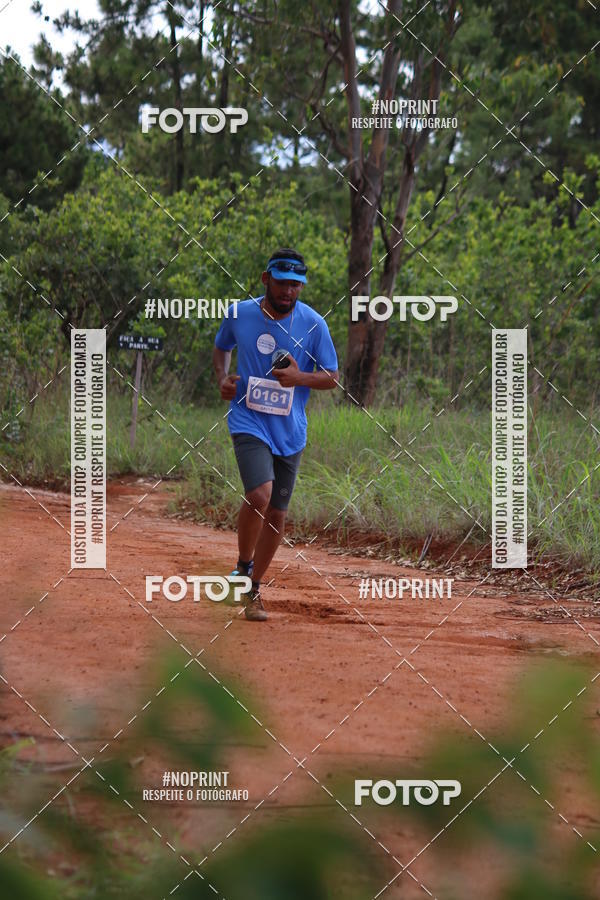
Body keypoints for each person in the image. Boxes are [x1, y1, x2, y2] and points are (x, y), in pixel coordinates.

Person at [212, 248, 339, 620]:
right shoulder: (239, 313)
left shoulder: (314, 324)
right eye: (282, 283)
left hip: (290, 432)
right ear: (266, 279)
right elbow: (221, 348)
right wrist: (222, 378)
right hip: (248, 419)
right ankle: (243, 565)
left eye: (296, 285)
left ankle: (251, 589)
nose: (288, 291)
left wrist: (299, 378)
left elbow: (332, 377)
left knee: (278, 514)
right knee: (259, 494)